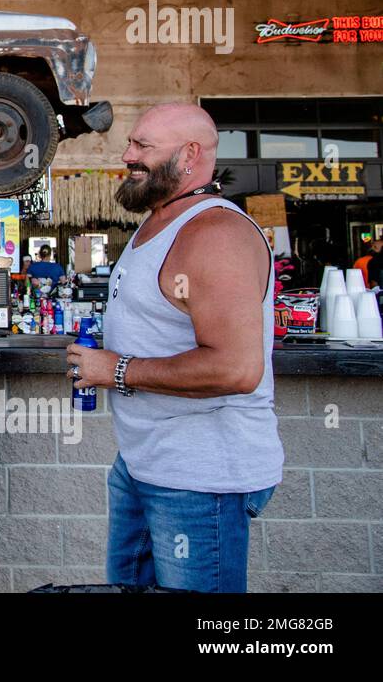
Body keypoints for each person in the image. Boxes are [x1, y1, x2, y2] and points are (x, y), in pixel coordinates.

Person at [67, 103, 282, 593]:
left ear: (189, 155)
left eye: (142, 146)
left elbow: (235, 369)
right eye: (130, 144)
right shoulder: (157, 224)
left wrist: (116, 369)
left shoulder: (215, 233)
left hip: (199, 477)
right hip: (144, 463)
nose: (126, 155)